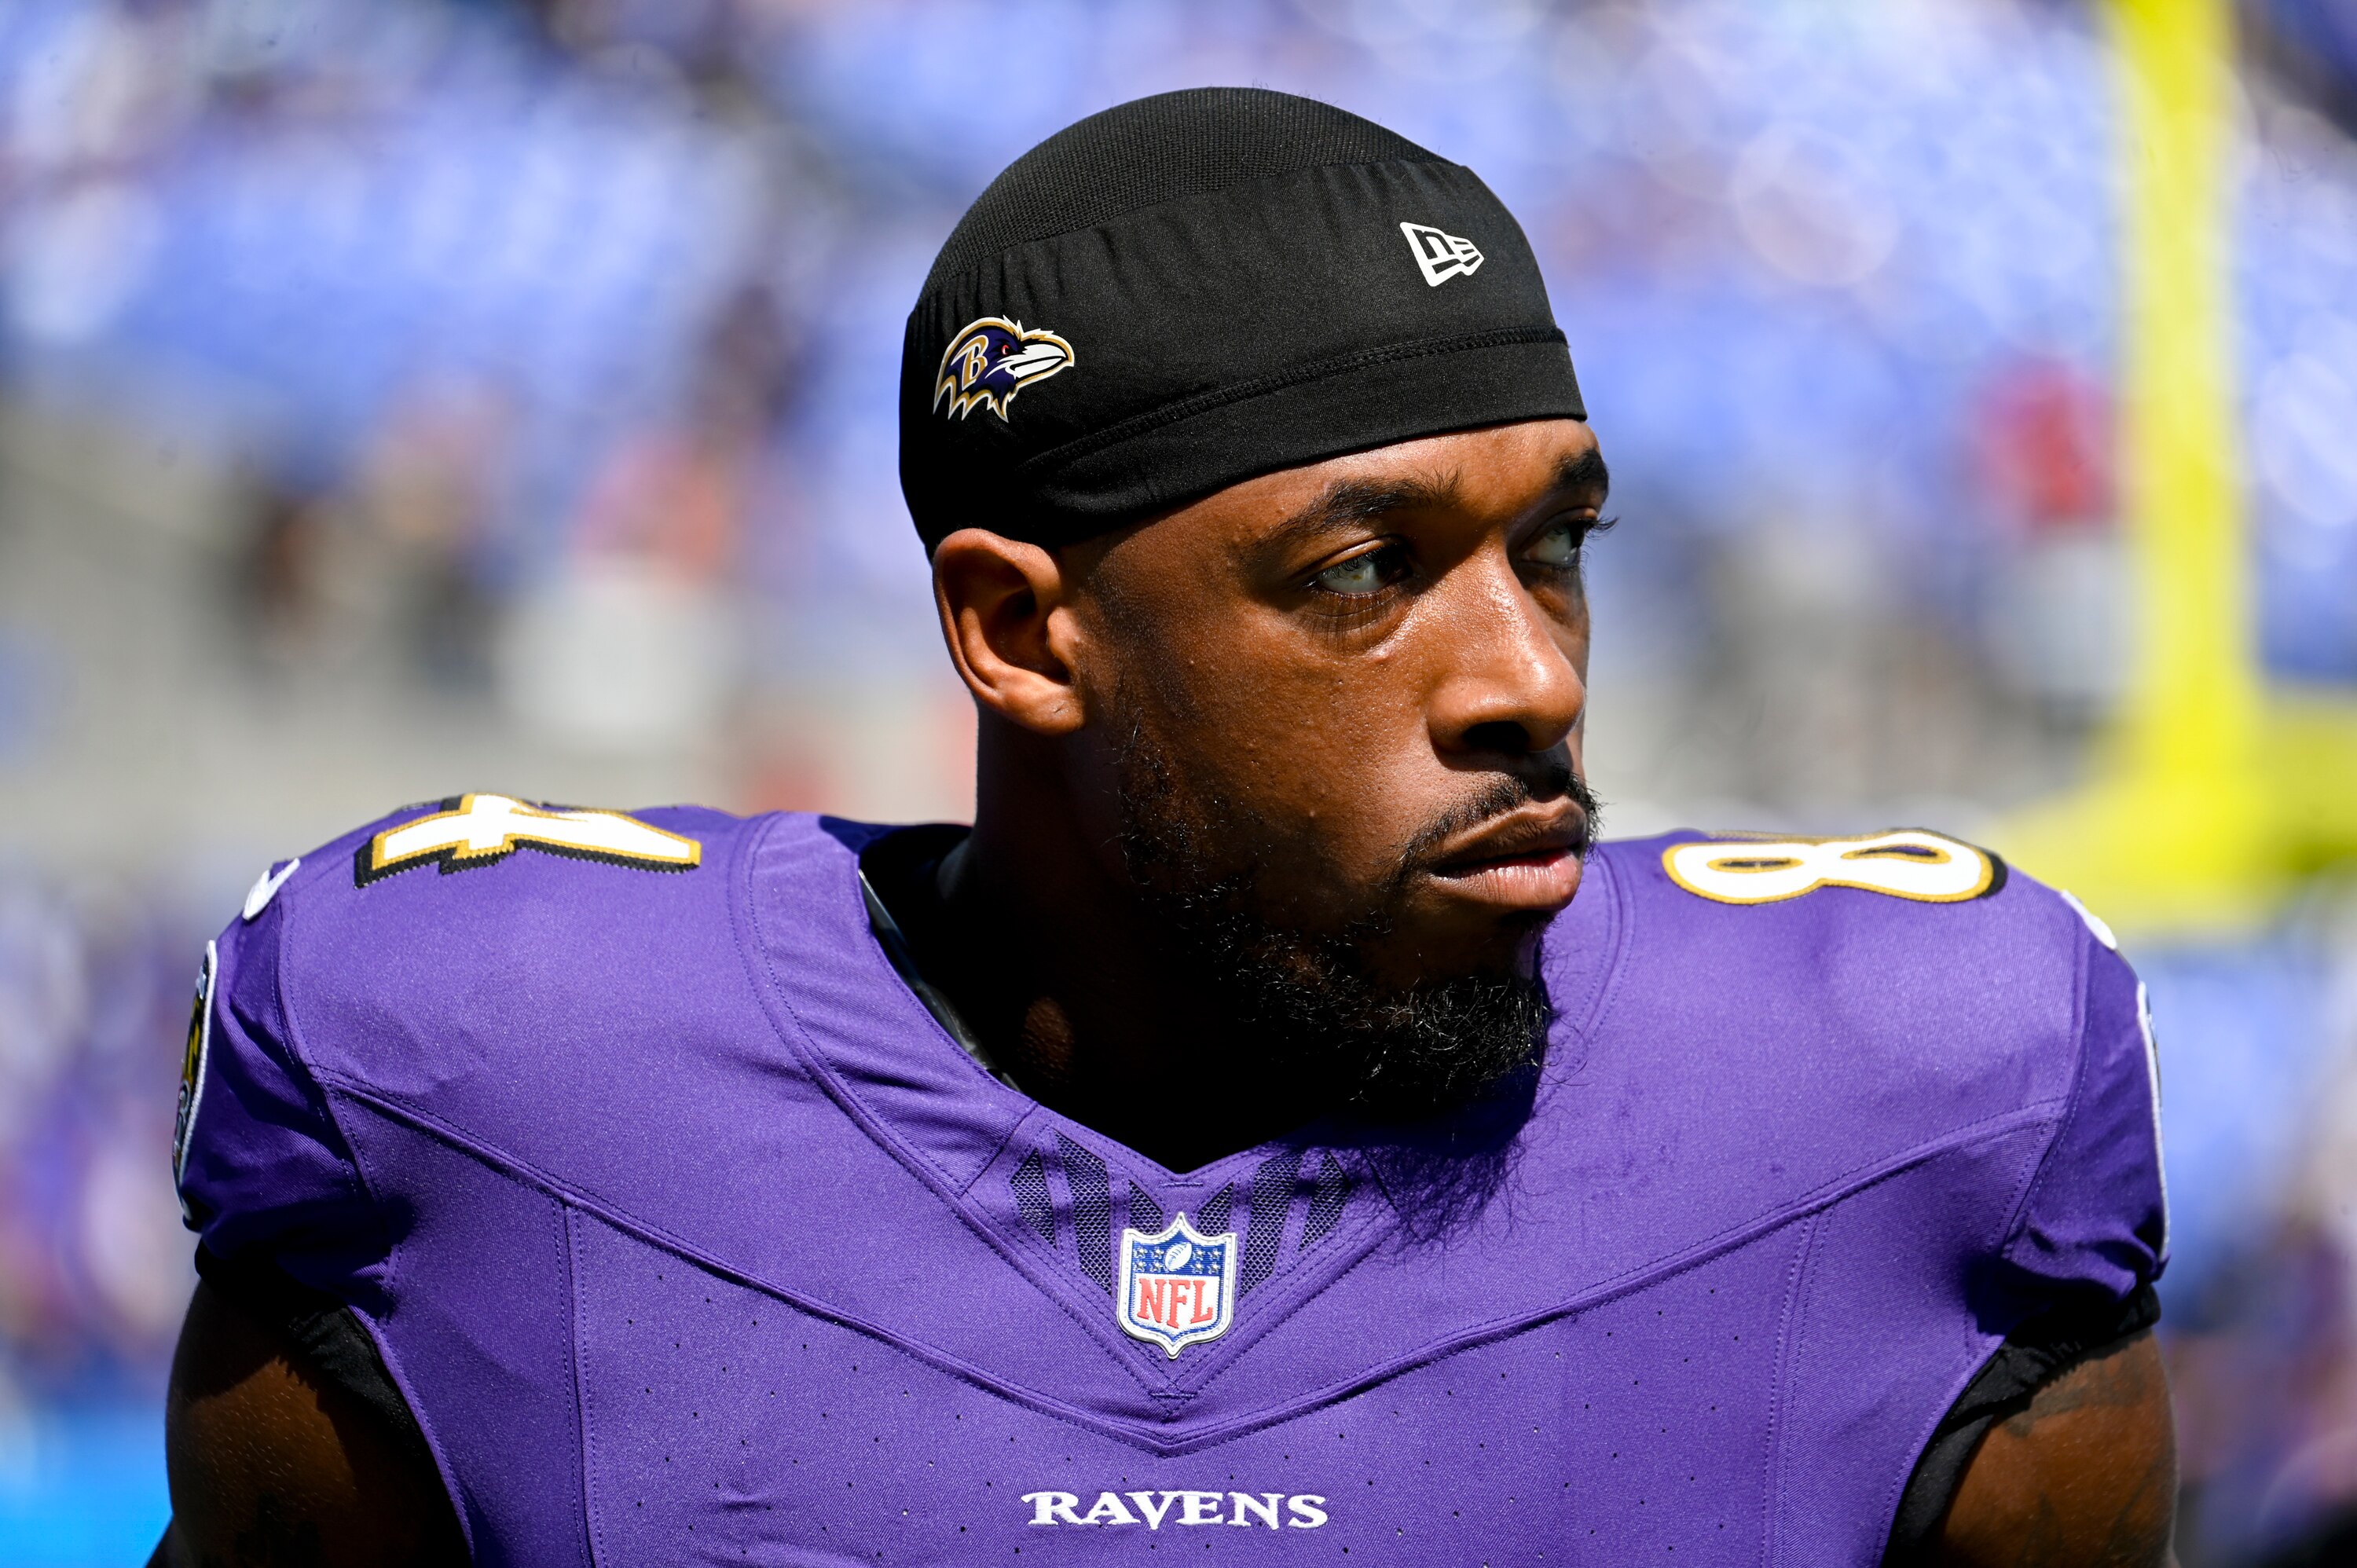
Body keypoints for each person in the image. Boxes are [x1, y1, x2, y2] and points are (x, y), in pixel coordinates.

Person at [154, 90, 2173, 1566]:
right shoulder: (479, 1067)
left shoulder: (1918, 1088)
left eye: (1553, 546)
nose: (1533, 676)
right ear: (1025, 632)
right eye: (1366, 570)